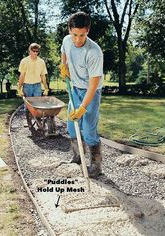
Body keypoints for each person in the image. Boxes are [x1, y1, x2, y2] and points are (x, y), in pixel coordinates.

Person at [60, 11, 104, 178]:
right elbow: (64, 51)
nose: (78, 40)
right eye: (74, 35)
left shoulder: (94, 52)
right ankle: (78, 156)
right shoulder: (66, 40)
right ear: (69, 30)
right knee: (71, 125)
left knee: (89, 129)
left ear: (88, 31)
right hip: (75, 89)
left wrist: (83, 107)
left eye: (82, 35)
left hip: (91, 93)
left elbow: (93, 85)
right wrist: (64, 65)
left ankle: (96, 165)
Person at [18, 43, 49, 126]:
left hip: (37, 86)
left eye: (37, 51)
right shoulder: (24, 61)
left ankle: (38, 121)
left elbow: (43, 76)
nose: (35, 53)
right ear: (30, 51)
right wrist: (19, 88)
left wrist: (46, 88)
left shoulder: (41, 62)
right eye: (34, 51)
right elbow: (22, 76)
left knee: (38, 105)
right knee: (28, 105)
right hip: (27, 85)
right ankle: (28, 121)